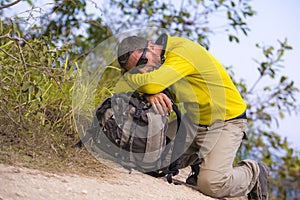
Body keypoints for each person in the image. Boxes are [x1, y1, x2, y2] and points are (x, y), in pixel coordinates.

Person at [116, 34, 269, 199]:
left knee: (212, 184)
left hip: (226, 122)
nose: (143, 71)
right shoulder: (158, 62)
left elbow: (151, 84)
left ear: (151, 45)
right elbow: (133, 86)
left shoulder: (182, 52)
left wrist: (144, 85)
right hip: (193, 122)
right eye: (136, 70)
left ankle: (254, 173)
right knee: (149, 160)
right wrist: (149, 95)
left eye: (142, 62)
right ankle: (199, 161)